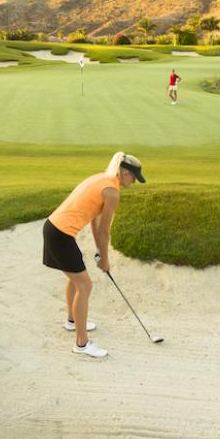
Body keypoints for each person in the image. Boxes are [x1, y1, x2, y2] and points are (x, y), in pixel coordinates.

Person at [43, 152, 146, 358]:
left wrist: (100, 252)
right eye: (133, 177)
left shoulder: (102, 179)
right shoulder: (112, 192)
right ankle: (82, 344)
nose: (134, 181)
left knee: (75, 278)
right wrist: (105, 260)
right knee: (85, 285)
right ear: (124, 172)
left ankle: (72, 321)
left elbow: (95, 221)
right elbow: (104, 231)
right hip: (61, 235)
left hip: (54, 229)